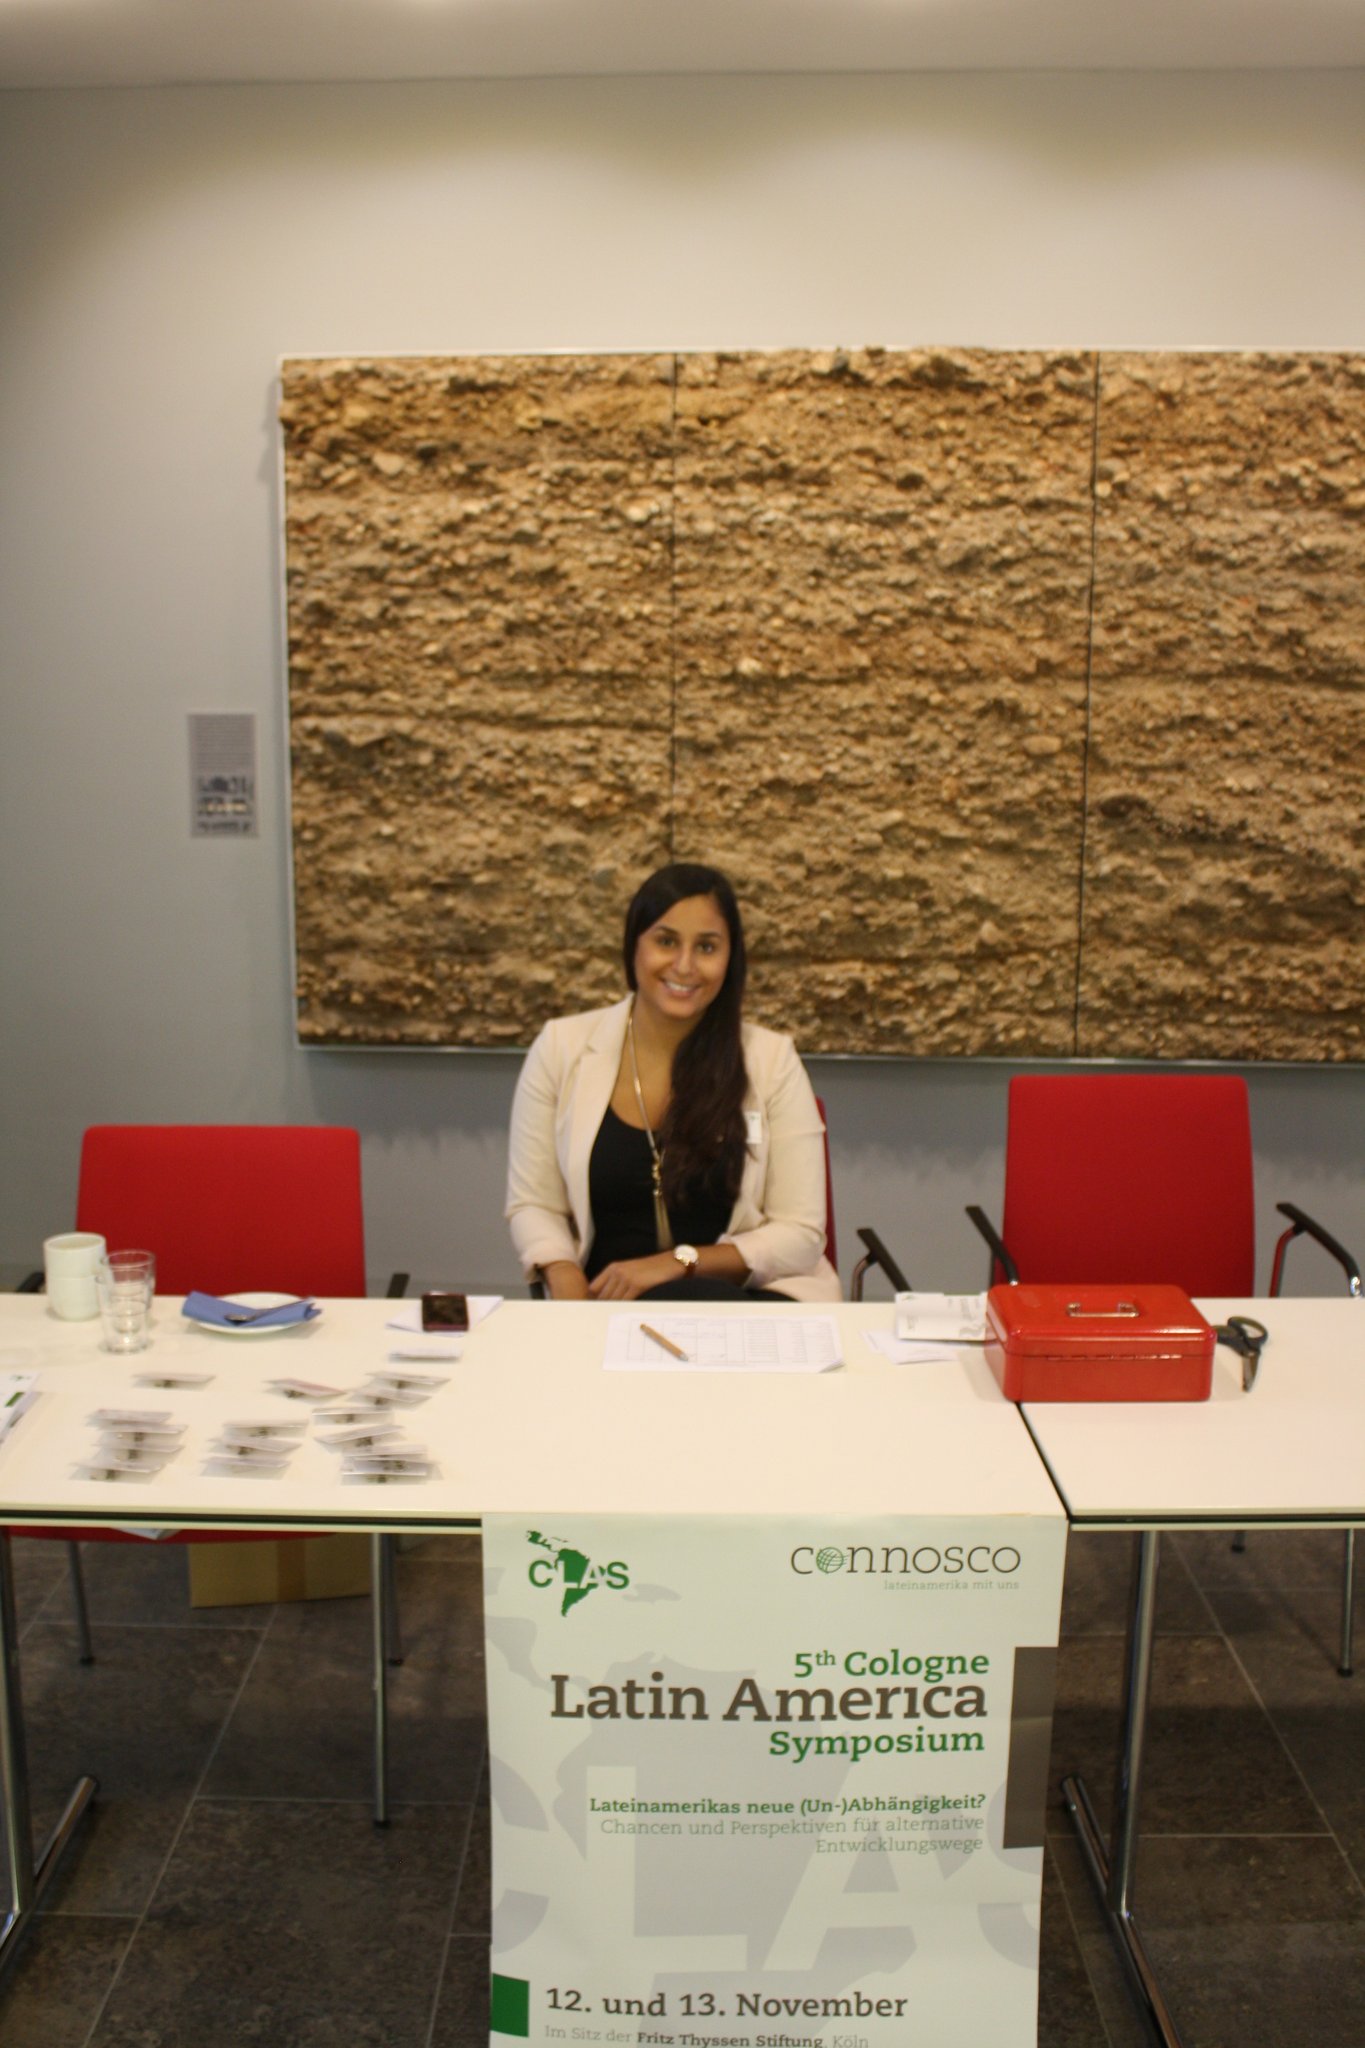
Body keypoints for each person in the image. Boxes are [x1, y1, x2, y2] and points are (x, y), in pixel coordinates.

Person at [505, 862, 841, 1302]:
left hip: (751, 1302)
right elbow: (535, 1204)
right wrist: (564, 1277)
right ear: (634, 946)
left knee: (703, 1300)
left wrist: (676, 1264)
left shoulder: (772, 1060)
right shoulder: (561, 1048)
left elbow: (800, 1232)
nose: (684, 966)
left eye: (706, 947)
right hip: (606, 1306)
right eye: (666, 942)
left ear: (730, 958)